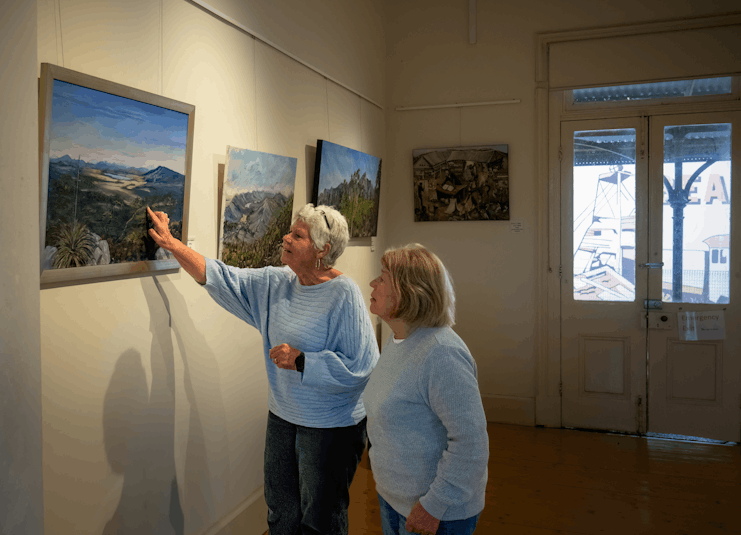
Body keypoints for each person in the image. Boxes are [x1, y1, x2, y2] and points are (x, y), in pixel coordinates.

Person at [147, 203, 379, 535]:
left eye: (297, 235)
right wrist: (172, 244)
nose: (286, 238)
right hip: (283, 416)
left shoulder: (344, 294)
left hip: (330, 427)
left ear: (322, 250)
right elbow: (220, 276)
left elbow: (363, 366)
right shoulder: (276, 282)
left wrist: (303, 361)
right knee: (281, 511)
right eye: (290, 231)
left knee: (321, 520)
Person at [363, 244, 488, 535]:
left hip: (436, 513)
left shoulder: (442, 353)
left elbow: (471, 443)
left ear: (409, 292)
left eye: (382, 278)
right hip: (394, 499)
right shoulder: (400, 338)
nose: (372, 284)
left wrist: (434, 506)